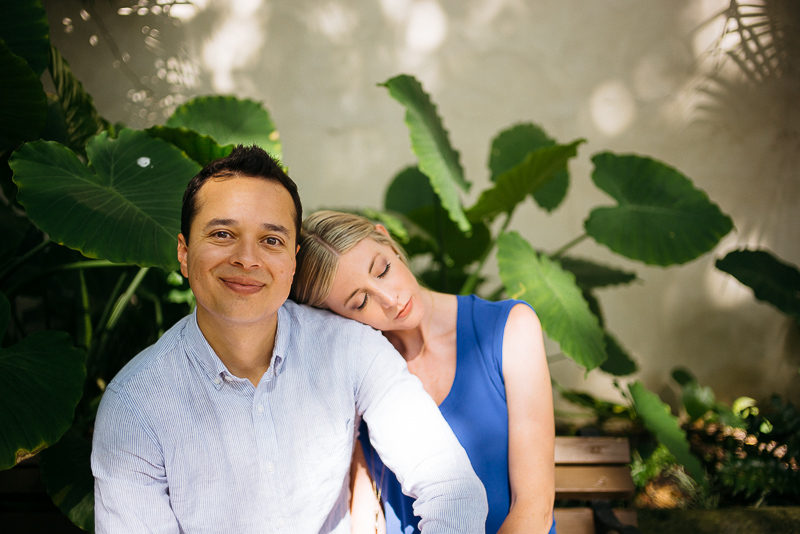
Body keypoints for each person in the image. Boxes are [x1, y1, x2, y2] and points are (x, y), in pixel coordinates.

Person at [91, 146, 488, 533]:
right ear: (183, 251)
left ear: (293, 260)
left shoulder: (351, 350)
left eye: (271, 240)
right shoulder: (136, 407)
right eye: (224, 233)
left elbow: (451, 489)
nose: (247, 259)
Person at [291, 210, 557, 534]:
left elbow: (535, 508)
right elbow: (364, 512)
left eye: (383, 270)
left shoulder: (510, 328)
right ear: (332, 318)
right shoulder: (358, 372)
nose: (390, 299)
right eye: (360, 302)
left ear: (387, 238)